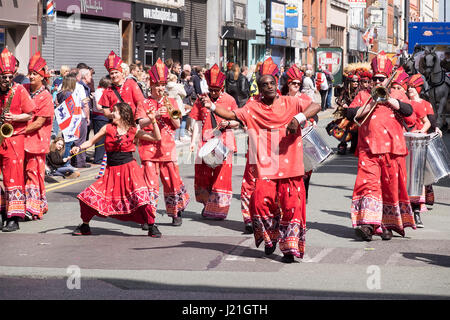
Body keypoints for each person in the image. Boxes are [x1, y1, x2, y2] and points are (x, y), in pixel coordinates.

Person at [202, 57, 321, 263]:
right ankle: (270, 237)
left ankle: (290, 248)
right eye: (264, 84)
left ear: (277, 85)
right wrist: (212, 107)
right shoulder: (252, 108)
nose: (269, 87)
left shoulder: (291, 102)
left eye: (272, 83)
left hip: (292, 166)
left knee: (293, 207)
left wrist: (298, 119)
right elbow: (231, 115)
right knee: (260, 205)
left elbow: (315, 106)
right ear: (260, 88)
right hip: (267, 168)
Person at [344, 51, 416, 241]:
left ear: (388, 79)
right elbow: (350, 114)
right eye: (375, 79)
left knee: (389, 188)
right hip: (369, 150)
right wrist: (371, 103)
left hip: (393, 151)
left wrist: (389, 100)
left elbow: (410, 114)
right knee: (367, 186)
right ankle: (368, 225)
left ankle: (386, 225)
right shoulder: (363, 95)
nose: (377, 82)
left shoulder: (398, 93)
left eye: (381, 79)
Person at [71, 102, 162, 237]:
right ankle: (85, 225)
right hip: (111, 171)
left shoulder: (133, 130)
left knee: (141, 198)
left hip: (130, 169)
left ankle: (151, 225)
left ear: (123, 115)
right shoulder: (107, 128)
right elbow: (90, 142)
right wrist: (79, 147)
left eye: (115, 111)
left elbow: (156, 137)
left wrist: (153, 120)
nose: (112, 113)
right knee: (87, 197)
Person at [136, 58, 190, 227]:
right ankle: (148, 216)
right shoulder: (143, 103)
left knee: (171, 182)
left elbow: (176, 124)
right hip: (148, 148)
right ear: (150, 85)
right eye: (157, 85)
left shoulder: (171, 102)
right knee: (149, 183)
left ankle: (176, 212)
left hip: (167, 148)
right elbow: (139, 123)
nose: (160, 88)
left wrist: (168, 110)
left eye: (162, 85)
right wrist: (154, 117)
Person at [189, 64, 240, 220]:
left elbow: (237, 122)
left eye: (216, 90)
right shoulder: (201, 99)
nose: (213, 93)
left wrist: (228, 124)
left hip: (225, 141)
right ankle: (207, 205)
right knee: (203, 175)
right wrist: (192, 141)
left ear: (222, 88)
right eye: (211, 89)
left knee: (221, 176)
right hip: (205, 142)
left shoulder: (230, 100)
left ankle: (219, 209)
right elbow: (197, 122)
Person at [0, 48, 36, 232]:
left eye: (9, 77)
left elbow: (30, 114)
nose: (7, 80)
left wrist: (13, 118)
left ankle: (13, 218)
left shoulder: (19, 90)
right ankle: (1, 212)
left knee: (12, 177)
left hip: (14, 138)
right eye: (3, 77)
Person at [23, 52, 54, 220]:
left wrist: (19, 131)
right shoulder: (24, 89)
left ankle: (34, 207)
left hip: (36, 142)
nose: (31, 76)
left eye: (34, 73)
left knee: (33, 172)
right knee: (21, 173)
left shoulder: (46, 96)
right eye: (30, 73)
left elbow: (39, 122)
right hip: (21, 141)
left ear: (42, 76)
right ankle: (22, 205)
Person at [98, 51, 145, 121]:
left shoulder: (131, 83)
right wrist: (115, 115)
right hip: (115, 123)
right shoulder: (107, 90)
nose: (114, 75)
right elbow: (106, 111)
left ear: (122, 73)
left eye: (116, 72)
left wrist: (138, 119)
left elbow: (140, 102)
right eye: (112, 73)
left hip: (131, 123)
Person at [92, 76, 111, 164]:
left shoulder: (103, 91)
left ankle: (103, 157)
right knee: (100, 138)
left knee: (105, 138)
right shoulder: (99, 92)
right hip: (100, 117)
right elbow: (99, 106)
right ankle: (98, 159)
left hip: (105, 117)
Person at [166, 73, 187, 142]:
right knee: (178, 121)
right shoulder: (177, 86)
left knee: (171, 121)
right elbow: (184, 94)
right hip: (177, 104)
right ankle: (179, 136)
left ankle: (172, 137)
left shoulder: (166, 86)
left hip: (169, 104)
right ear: (174, 79)